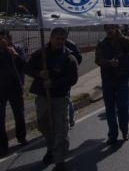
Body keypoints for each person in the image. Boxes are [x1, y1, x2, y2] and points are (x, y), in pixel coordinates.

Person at [26, 28, 78, 171]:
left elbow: (73, 79)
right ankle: (51, 147)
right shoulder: (40, 54)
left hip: (60, 98)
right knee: (44, 125)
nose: (60, 41)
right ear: (51, 38)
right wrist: (39, 73)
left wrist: (54, 83)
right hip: (43, 97)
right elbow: (28, 68)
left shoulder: (69, 58)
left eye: (62, 39)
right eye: (57, 38)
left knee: (62, 128)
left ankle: (60, 160)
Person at [95, 24, 129, 144]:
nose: (109, 30)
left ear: (117, 28)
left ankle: (124, 129)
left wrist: (121, 36)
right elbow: (98, 60)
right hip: (108, 79)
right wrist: (109, 62)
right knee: (109, 109)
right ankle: (113, 134)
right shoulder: (101, 43)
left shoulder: (124, 40)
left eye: (112, 28)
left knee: (123, 107)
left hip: (122, 79)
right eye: (107, 28)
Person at [0, 30, 27, 158]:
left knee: (19, 113)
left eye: (5, 38)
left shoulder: (17, 48)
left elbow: (24, 64)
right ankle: (3, 146)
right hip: (1, 89)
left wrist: (15, 54)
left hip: (15, 87)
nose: (4, 41)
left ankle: (21, 137)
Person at [64, 36, 82, 128]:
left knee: (66, 97)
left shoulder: (70, 44)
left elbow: (79, 57)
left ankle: (70, 119)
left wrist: (72, 66)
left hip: (66, 75)